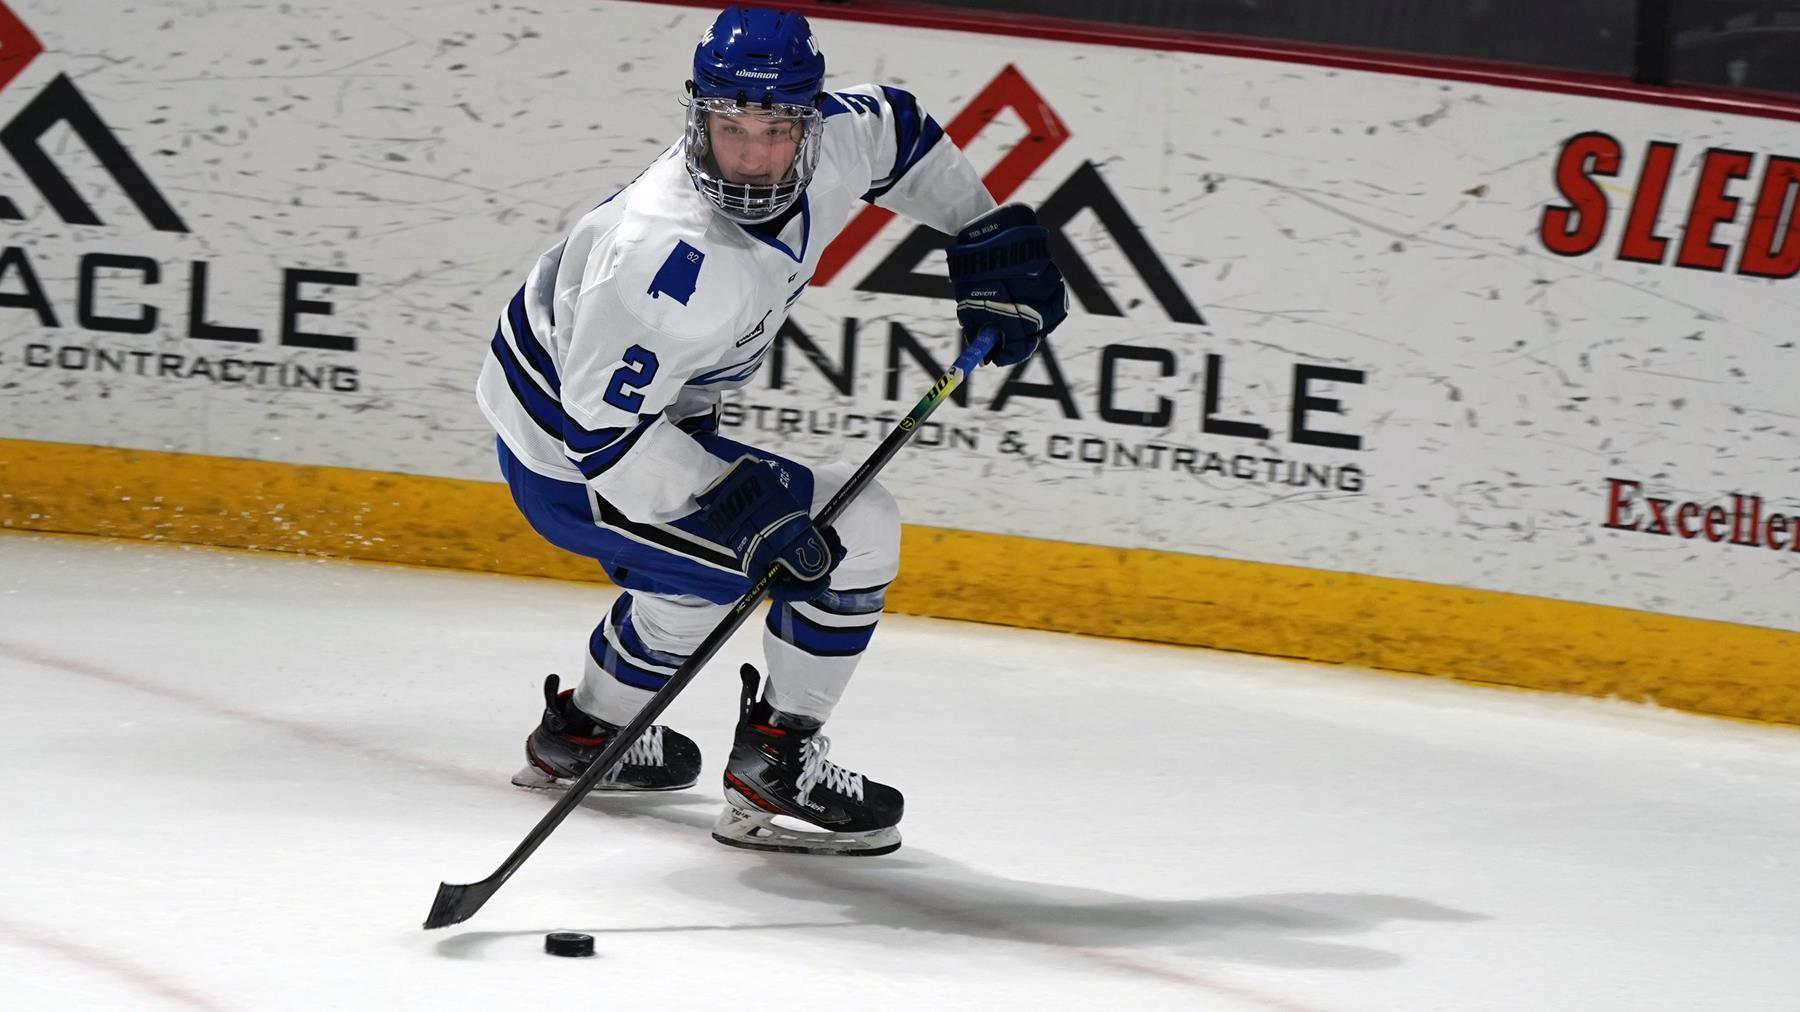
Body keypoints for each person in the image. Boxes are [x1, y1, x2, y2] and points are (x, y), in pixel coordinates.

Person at [474, 5, 1066, 856]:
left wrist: (978, 235)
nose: (751, 155)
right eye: (729, 125)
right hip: (572, 455)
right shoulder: (662, 254)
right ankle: (774, 770)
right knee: (856, 531)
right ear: (698, 116)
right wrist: (740, 508)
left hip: (643, 418)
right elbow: (602, 440)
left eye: (777, 127)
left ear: (808, 120)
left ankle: (588, 732)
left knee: (694, 578)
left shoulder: (839, 139)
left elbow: (899, 128)